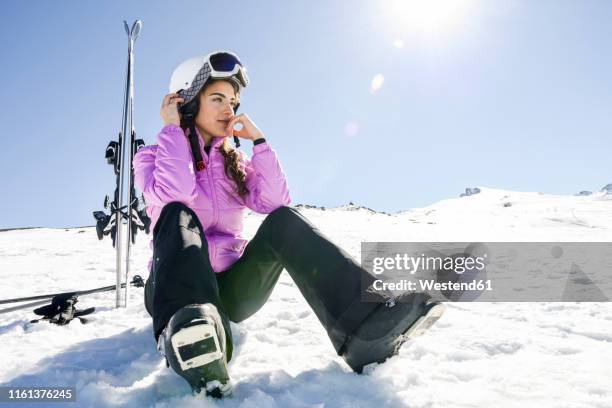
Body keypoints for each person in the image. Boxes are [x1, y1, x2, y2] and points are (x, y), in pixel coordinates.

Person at [133, 51, 444, 398]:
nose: (228, 110)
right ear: (186, 103)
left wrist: (260, 143)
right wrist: (173, 130)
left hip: (231, 291)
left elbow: (276, 202)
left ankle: (364, 328)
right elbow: (175, 194)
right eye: (217, 99)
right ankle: (191, 335)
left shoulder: (231, 161)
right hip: (174, 291)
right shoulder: (152, 156)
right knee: (178, 215)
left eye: (233, 102)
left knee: (285, 222)